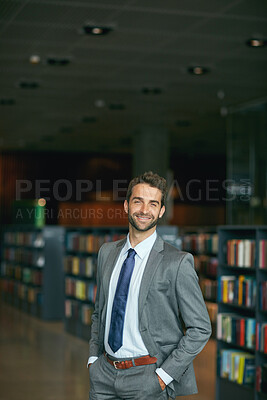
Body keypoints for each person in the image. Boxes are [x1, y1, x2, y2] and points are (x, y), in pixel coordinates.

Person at [88, 171, 212, 400]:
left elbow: (201, 328)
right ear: (126, 206)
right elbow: (99, 312)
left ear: (161, 211)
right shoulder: (107, 253)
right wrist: (93, 360)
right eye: (138, 201)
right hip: (103, 376)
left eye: (153, 204)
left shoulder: (177, 262)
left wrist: (164, 376)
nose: (145, 210)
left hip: (148, 378)